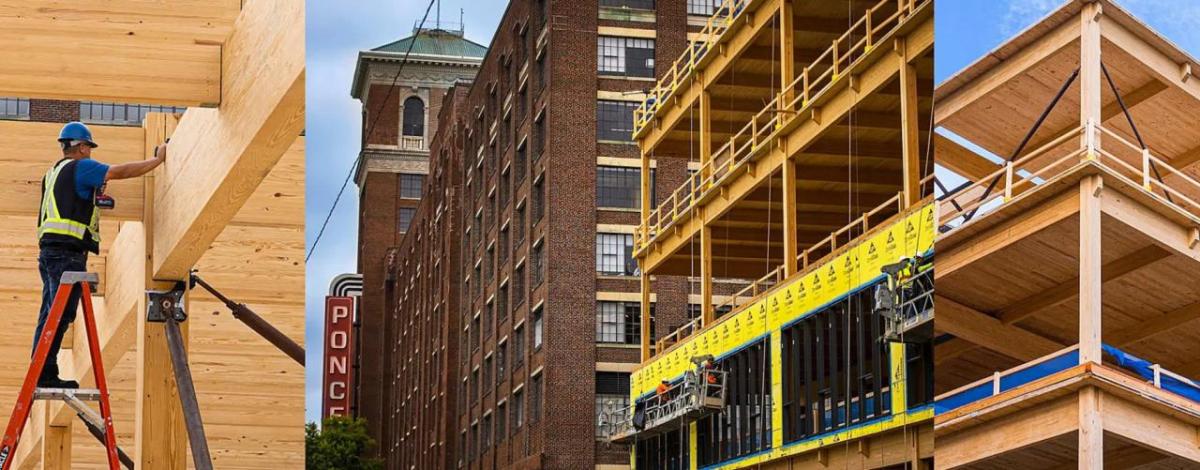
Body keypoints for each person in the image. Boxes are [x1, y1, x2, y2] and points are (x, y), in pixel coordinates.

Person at [33, 122, 167, 389]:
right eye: (89, 148)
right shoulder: (82, 167)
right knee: (61, 313)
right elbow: (121, 171)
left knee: (49, 312)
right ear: (81, 147)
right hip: (66, 254)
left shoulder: (52, 173)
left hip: (50, 252)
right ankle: (44, 374)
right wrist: (158, 160)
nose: (90, 153)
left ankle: (41, 370)